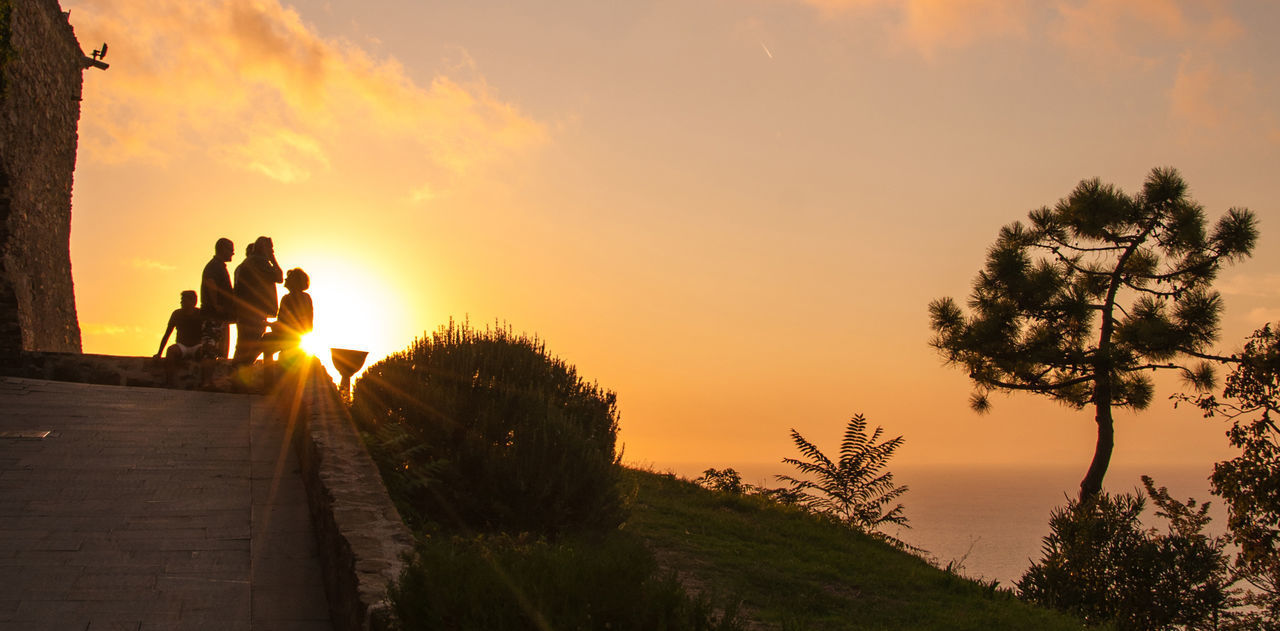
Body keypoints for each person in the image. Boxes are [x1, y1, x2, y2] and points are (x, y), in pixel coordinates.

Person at [232, 236, 282, 364]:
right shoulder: (258, 261)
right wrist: (273, 259)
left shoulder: (247, 263)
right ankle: (239, 374)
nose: (272, 251)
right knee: (252, 346)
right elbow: (279, 276)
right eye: (270, 248)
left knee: (244, 346)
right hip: (253, 313)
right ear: (264, 248)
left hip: (246, 312)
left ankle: (237, 375)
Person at [261, 268, 313, 367]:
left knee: (265, 341)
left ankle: (267, 376)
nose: (285, 280)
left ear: (294, 282)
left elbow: (284, 323)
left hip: (290, 337)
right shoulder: (304, 298)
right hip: (295, 336)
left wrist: (268, 324)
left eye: (288, 278)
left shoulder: (289, 298)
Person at [155, 290, 205, 385]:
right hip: (181, 345)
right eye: (182, 300)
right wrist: (159, 353)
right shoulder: (176, 314)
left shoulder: (200, 314)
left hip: (197, 345)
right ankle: (170, 383)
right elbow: (167, 334)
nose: (182, 302)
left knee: (205, 354)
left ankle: (203, 383)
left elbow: (209, 333)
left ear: (193, 301)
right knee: (171, 351)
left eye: (184, 300)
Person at [200, 238, 235, 359]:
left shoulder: (219, 266)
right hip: (213, 317)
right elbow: (211, 284)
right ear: (222, 249)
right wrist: (215, 305)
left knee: (220, 353)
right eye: (230, 250)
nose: (233, 253)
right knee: (210, 352)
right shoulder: (214, 266)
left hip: (220, 317)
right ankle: (207, 378)